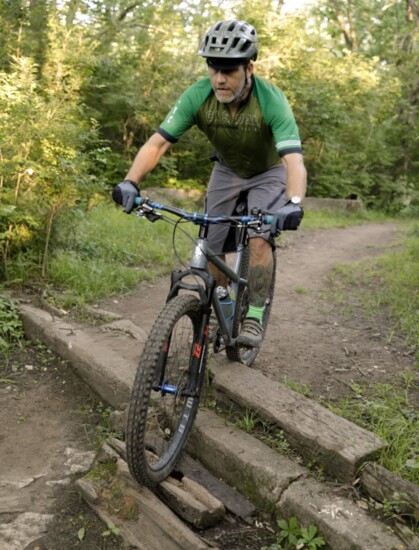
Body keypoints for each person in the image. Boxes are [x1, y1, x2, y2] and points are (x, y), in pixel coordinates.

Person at [113, 19, 307, 348]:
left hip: (269, 171)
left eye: (228, 70)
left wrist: (294, 203)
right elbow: (157, 144)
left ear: (249, 67)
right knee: (210, 241)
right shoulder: (199, 96)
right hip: (227, 170)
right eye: (213, 68)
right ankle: (220, 301)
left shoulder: (271, 101)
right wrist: (131, 182)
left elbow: (293, 161)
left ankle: (255, 314)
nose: (219, 78)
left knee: (260, 237)